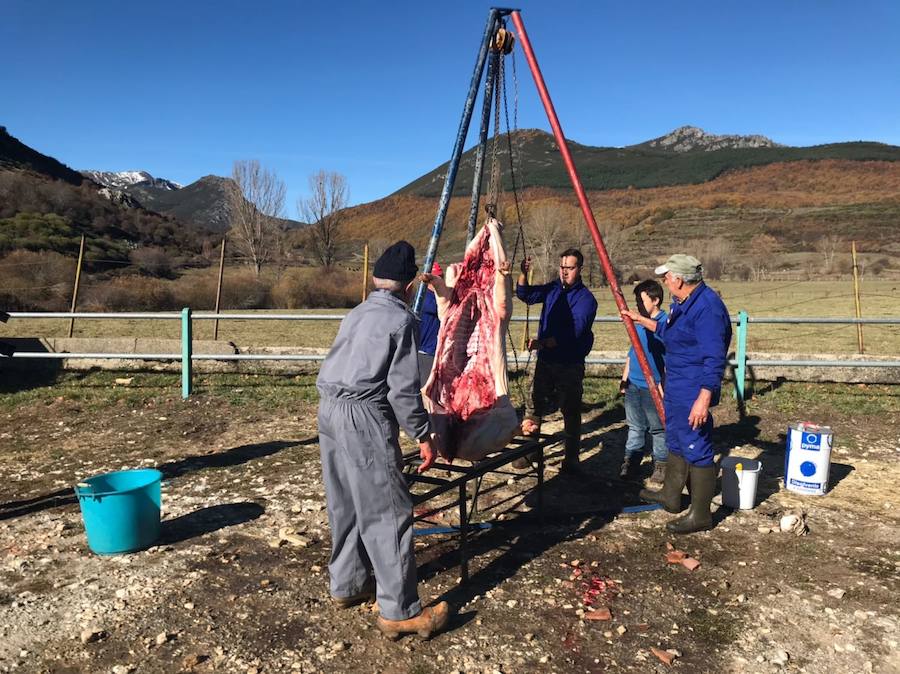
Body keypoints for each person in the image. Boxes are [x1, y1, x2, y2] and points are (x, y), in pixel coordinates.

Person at [316, 240, 449, 639]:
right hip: (363, 416)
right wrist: (424, 434)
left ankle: (349, 583)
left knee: (346, 502)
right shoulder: (402, 320)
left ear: (375, 280)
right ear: (410, 287)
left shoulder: (356, 313)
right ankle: (399, 612)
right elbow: (402, 392)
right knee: (387, 511)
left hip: (329, 408)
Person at [621, 254, 732, 534]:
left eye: (667, 277)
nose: (664, 281)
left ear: (679, 280)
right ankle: (671, 497)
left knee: (696, 445)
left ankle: (700, 515)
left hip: (694, 389)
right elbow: (668, 333)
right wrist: (639, 319)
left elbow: (714, 358)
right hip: (676, 384)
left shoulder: (707, 309)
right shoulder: (683, 303)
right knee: (677, 440)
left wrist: (703, 399)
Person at [515, 248, 598, 474]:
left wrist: (542, 343)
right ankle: (530, 452)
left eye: (569, 268)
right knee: (534, 406)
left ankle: (571, 459)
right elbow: (526, 295)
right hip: (545, 361)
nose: (564, 272)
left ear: (579, 269)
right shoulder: (553, 289)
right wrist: (523, 273)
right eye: (562, 268)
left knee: (570, 411)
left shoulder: (586, 300)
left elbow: (574, 332)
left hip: (569, 364)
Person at [618, 279, 667, 483]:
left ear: (655, 300)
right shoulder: (638, 323)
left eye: (642, 300)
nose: (638, 305)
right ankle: (632, 460)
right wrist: (624, 378)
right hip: (634, 384)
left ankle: (661, 463)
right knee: (635, 425)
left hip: (654, 385)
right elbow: (633, 353)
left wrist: (663, 384)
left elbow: (669, 358)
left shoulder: (664, 324)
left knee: (658, 427)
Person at [416, 262, 442, 378]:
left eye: (441, 277)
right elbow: (440, 309)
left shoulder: (440, 297)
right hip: (425, 352)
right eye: (436, 277)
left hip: (436, 351)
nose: (440, 280)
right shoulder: (424, 298)